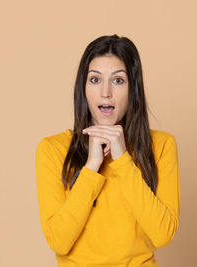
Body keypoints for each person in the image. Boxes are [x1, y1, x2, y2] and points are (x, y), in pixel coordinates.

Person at [35, 34, 181, 267]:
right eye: (94, 80)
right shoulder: (52, 150)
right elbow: (59, 241)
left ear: (134, 88)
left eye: (118, 81)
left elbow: (163, 234)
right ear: (82, 88)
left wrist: (123, 159)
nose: (105, 93)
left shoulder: (161, 146)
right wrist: (91, 168)